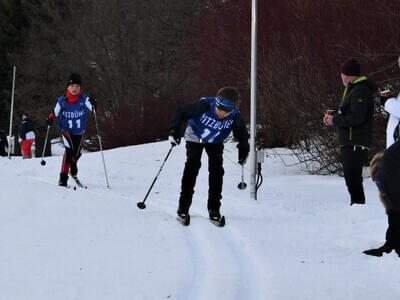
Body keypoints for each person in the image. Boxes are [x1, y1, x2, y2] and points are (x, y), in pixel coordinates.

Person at [169, 87, 249, 221]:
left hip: (215, 141)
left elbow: (242, 134)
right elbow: (181, 113)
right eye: (219, 109)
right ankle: (183, 207)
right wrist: (174, 131)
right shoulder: (204, 105)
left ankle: (214, 209)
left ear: (232, 110)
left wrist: (243, 150)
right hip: (195, 135)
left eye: (225, 112)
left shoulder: (235, 116)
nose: (220, 114)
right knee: (192, 166)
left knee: (217, 171)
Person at [324, 58, 377, 205]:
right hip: (350, 141)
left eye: (342, 73)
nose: (341, 77)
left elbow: (356, 118)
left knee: (353, 177)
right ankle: (356, 206)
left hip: (356, 141)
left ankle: (358, 207)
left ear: (347, 75)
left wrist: (335, 120)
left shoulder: (360, 91)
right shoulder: (354, 90)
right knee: (350, 177)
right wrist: (333, 118)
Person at [46, 73, 97, 187]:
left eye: (77, 86)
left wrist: (94, 104)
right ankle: (63, 177)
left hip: (79, 131)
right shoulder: (62, 100)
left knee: (77, 153)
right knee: (70, 151)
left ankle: (72, 167)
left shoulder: (84, 99)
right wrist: (50, 118)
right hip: (66, 130)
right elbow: (55, 112)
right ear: (68, 87)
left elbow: (93, 110)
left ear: (80, 88)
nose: (74, 89)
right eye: (72, 86)